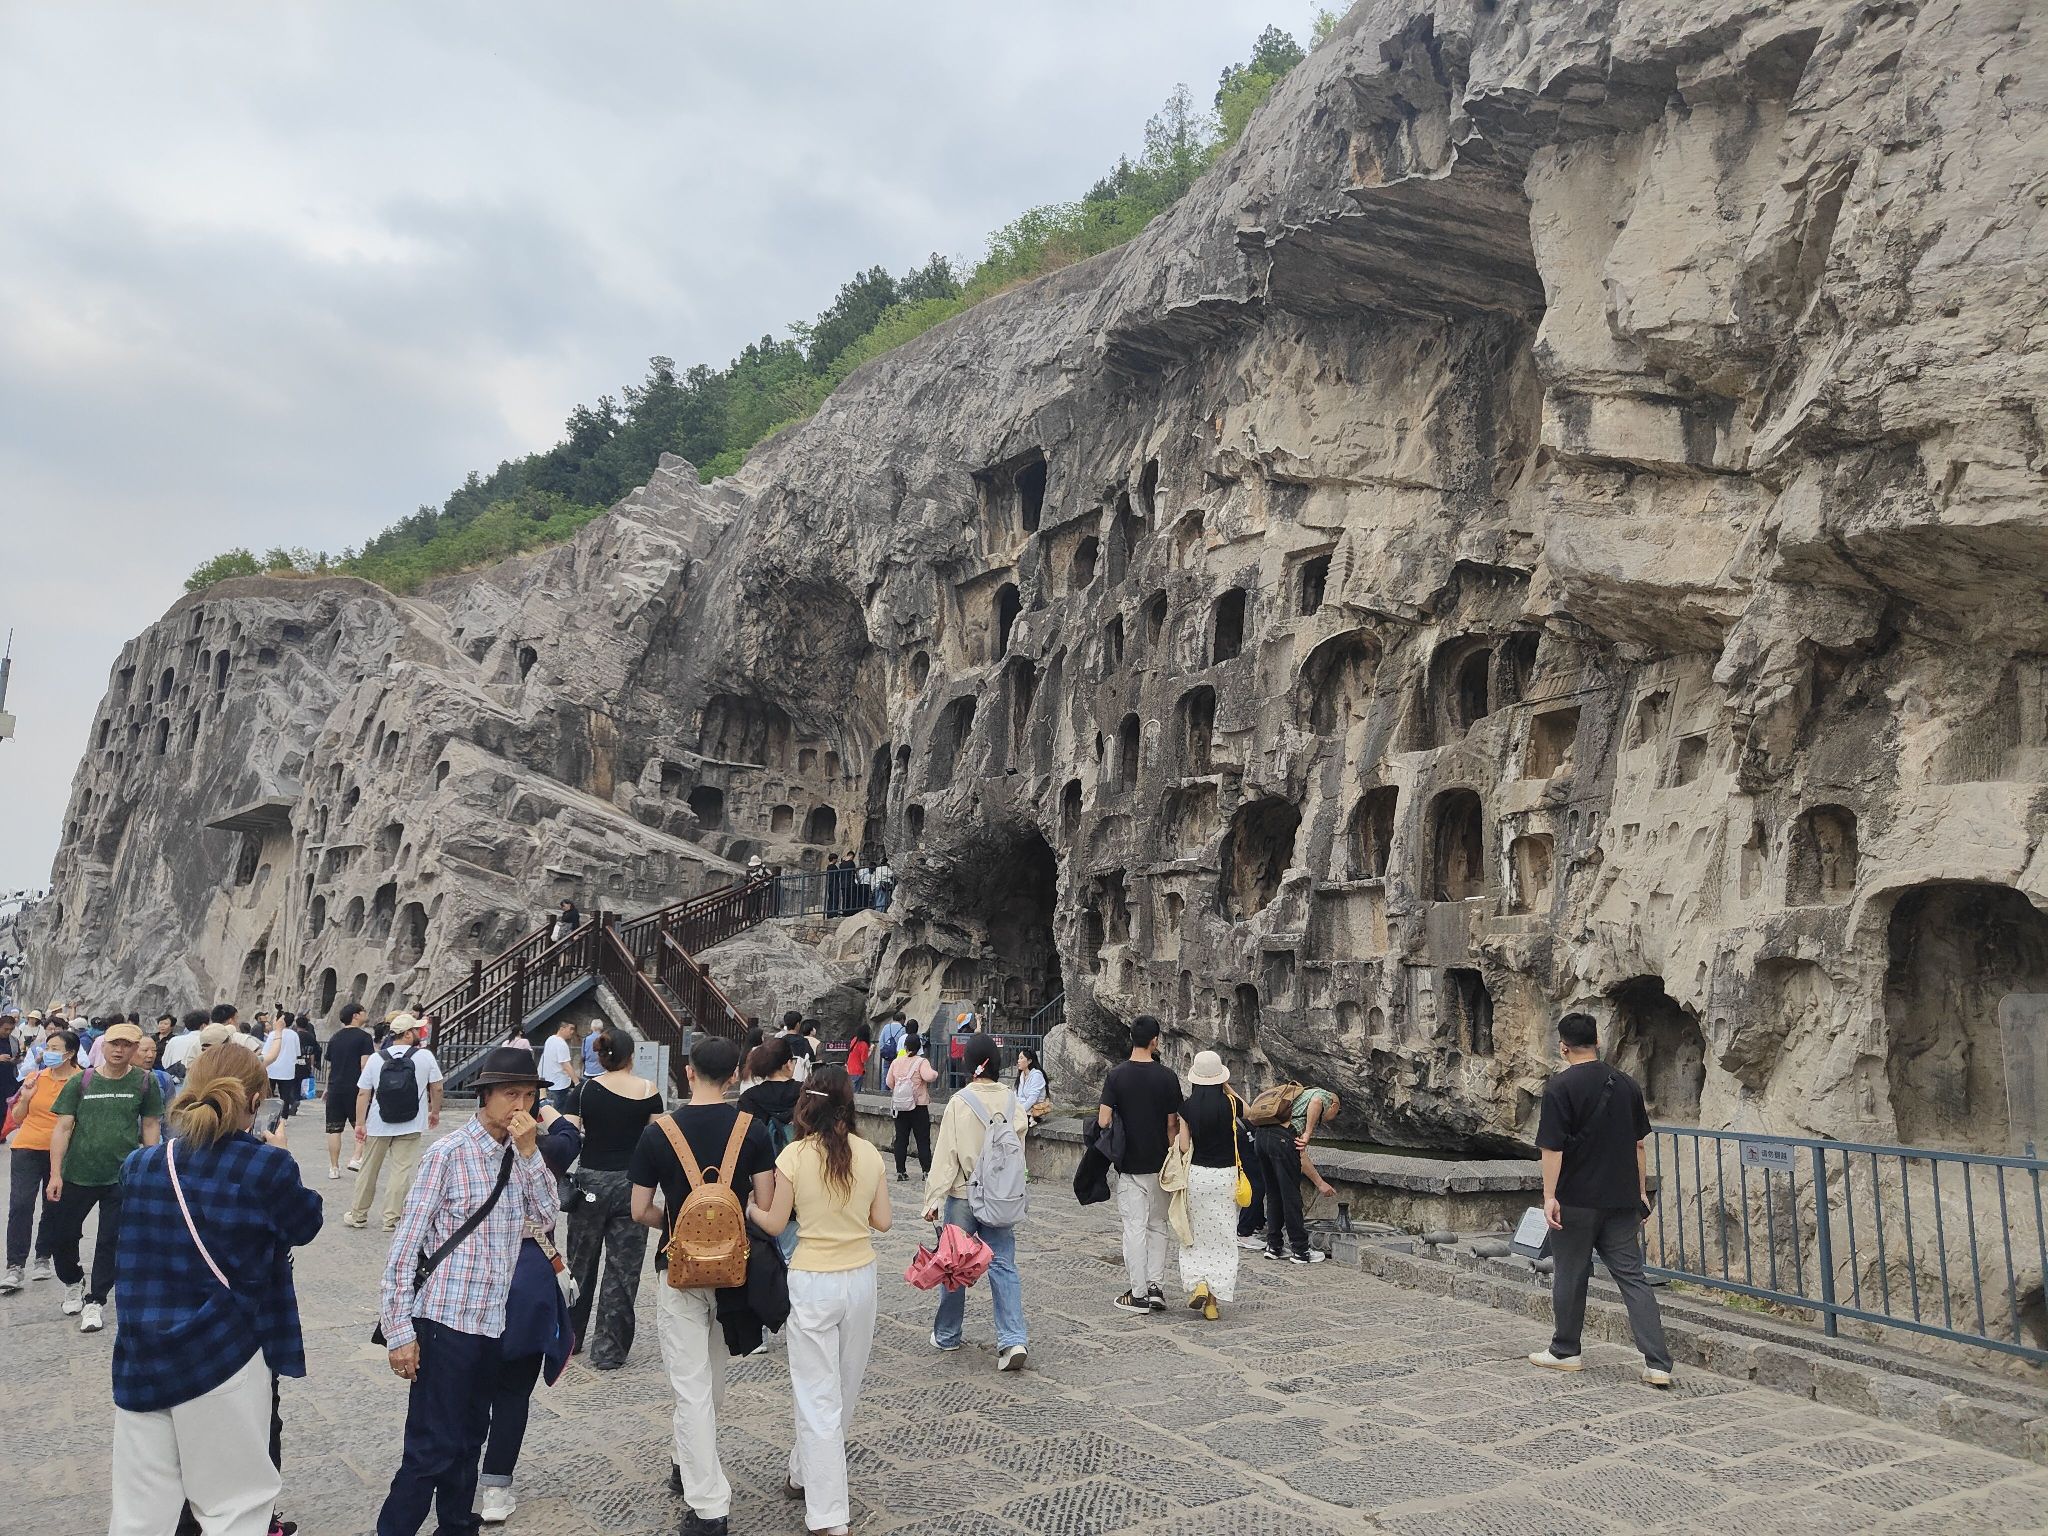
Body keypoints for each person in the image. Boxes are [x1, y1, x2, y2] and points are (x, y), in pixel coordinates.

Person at [107, 1041, 322, 1536]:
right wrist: (282, 1154)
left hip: (142, 1351)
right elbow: (305, 1223)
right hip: (223, 1348)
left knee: (140, 1512)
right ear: (255, 1101)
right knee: (234, 1507)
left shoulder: (141, 1164)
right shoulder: (264, 1165)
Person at [375, 1046, 561, 1536]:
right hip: (444, 1319)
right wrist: (399, 1331)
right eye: (510, 1094)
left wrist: (530, 1154)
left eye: (529, 1096)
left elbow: (545, 1218)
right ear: (486, 1096)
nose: (520, 1105)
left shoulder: (521, 1156)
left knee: (470, 1439)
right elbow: (406, 1243)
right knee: (431, 1446)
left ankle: (457, 1526)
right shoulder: (448, 1154)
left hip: (492, 1321)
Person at [628, 1036, 777, 1536]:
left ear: (688, 1072)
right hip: (734, 1272)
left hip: (679, 1272)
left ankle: (710, 1506)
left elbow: (639, 1210)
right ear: (735, 1076)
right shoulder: (752, 1130)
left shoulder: (659, 1133)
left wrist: (678, 1228)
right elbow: (763, 1203)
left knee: (689, 1384)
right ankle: (684, 1461)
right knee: (710, 1380)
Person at [749, 1066, 888, 1536]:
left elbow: (774, 1223)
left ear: (807, 1104)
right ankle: (802, 1471)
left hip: (813, 1278)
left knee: (816, 1395)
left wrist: (751, 1207)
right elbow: (883, 1220)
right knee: (843, 1387)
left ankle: (829, 1513)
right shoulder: (868, 1153)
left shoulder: (794, 1155)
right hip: (860, 1277)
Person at [1530, 1012, 1674, 1388]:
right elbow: (1638, 1144)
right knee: (1633, 1278)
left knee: (1570, 1273)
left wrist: (1549, 1196)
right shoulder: (1626, 1084)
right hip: (1621, 1199)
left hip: (1575, 1200)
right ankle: (1658, 1363)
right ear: (1597, 1042)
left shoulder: (1560, 1087)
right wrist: (1639, 1192)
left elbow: (1553, 1148)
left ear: (1563, 1047)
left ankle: (1566, 1351)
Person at [476, 1103, 582, 1525]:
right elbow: (571, 1134)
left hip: (477, 1274)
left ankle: (460, 1475)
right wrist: (548, 1111)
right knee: (514, 1390)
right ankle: (496, 1488)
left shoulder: (462, 1152)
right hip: (529, 1277)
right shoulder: (548, 1149)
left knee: (468, 1386)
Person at [47, 1018, 164, 1331]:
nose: (119, 1050)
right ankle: (73, 1280)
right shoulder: (81, 1081)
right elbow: (63, 1127)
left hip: (122, 1175)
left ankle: (96, 1301)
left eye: (127, 1045)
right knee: (62, 1235)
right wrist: (55, 1173)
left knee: (110, 1240)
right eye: (114, 1043)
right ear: (104, 1045)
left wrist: (150, 1168)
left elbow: (150, 1124)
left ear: (135, 1049)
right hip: (78, 1172)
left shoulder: (145, 1082)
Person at [922, 1033, 1027, 1368]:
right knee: (1003, 1264)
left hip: (963, 1193)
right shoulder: (1012, 1101)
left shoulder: (960, 1102)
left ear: (968, 1064)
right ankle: (1013, 1340)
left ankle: (948, 1334)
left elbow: (946, 1155)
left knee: (954, 1265)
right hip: (1000, 1196)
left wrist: (933, 1198)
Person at [565, 1027, 662, 1369]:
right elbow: (655, 1140)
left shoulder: (584, 1090)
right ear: (631, 1056)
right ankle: (609, 1349)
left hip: (590, 1181)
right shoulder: (649, 1090)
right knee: (623, 1269)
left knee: (579, 1262)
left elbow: (568, 1135)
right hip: (632, 1183)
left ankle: (569, 1336)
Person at [1098, 1015, 1182, 1315]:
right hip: (1159, 1163)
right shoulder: (1168, 1077)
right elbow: (1172, 1124)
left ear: (1131, 1038)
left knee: (1134, 1228)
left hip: (1129, 1164)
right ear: (1155, 1041)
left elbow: (1103, 1120)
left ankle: (1138, 1293)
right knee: (1158, 1225)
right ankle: (1156, 1287)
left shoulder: (1116, 1076)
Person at [347, 1014, 444, 1233]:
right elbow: (437, 1087)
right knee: (400, 1171)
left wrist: (360, 1123)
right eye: (416, 1030)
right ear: (408, 1034)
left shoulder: (376, 1058)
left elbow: (363, 1093)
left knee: (369, 1169)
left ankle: (358, 1215)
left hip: (379, 1122)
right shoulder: (425, 1056)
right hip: (411, 1122)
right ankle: (391, 1219)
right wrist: (434, 1112)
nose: (419, 1033)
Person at [2, 1025, 78, 1292]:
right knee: (20, 1205)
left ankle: (43, 1257)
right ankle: (15, 1266)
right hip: (27, 1146)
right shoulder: (35, 1077)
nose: (48, 1053)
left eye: (55, 1049)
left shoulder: (82, 1081)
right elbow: (18, 1117)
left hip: (63, 1150)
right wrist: (25, 1098)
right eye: (48, 1048)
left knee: (53, 1203)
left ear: (70, 1054)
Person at [1175, 1051, 1243, 1320]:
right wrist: (1227, 1087)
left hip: (1198, 1176)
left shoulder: (1187, 1107)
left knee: (1195, 1233)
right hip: (1226, 1177)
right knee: (1224, 1236)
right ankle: (1212, 1302)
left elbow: (1183, 1146)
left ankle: (1198, 1282)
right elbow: (1251, 1113)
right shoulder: (1231, 1104)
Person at [739, 1039, 804, 1261]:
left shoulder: (748, 1099)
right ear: (788, 1064)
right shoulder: (806, 1094)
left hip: (762, 1186)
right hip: (801, 1184)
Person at [323, 1002, 376, 1181]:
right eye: (363, 1012)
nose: (365, 1014)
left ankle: (333, 1167)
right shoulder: (364, 1037)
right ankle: (356, 1157)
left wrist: (328, 1087)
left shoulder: (335, 1037)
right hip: (356, 1087)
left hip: (335, 1087)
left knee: (333, 1129)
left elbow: (330, 1065)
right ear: (355, 1015)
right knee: (361, 1124)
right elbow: (364, 1065)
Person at [885, 1033, 938, 1183]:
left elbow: (889, 1082)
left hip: (900, 1107)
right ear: (919, 1047)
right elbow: (929, 1076)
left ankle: (901, 1171)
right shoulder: (921, 1062)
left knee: (901, 1139)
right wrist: (935, 1073)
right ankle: (926, 1171)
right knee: (922, 1139)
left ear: (905, 1046)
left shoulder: (896, 1062)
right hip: (918, 1106)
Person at [260, 1012, 301, 1122]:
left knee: (269, 1094)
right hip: (287, 1070)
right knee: (285, 1096)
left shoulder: (273, 1034)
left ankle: (270, 1117)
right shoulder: (294, 1035)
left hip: (272, 1069)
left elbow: (265, 1051)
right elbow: (297, 1052)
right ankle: (284, 1118)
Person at [539, 1019, 579, 1114]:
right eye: (570, 1029)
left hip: (549, 1080)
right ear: (562, 1029)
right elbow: (566, 1064)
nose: (572, 1032)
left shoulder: (550, 1039)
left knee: (550, 1110)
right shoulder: (562, 1044)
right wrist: (576, 1082)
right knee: (560, 1111)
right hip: (560, 1083)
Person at [163, 1009, 209, 1078]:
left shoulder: (174, 1040)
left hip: (172, 1079)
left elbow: (165, 1062)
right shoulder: (205, 1041)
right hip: (196, 1079)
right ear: (204, 1025)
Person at [1015, 1047, 1048, 1121]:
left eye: (1021, 1058)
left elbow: (1032, 1099)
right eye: (1018, 1058)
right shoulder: (1022, 1075)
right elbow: (1016, 1095)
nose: (1018, 1061)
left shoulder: (1036, 1075)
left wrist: (1019, 1111)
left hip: (1034, 1113)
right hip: (1023, 1110)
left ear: (1029, 1061)